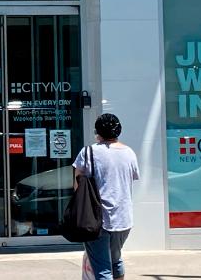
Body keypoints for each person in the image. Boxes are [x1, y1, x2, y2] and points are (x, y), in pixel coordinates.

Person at [73, 113, 140, 280]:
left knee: (102, 269)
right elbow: (131, 178)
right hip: (123, 219)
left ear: (98, 131)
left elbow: (77, 184)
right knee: (115, 260)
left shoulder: (88, 152)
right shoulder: (129, 153)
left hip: (97, 219)